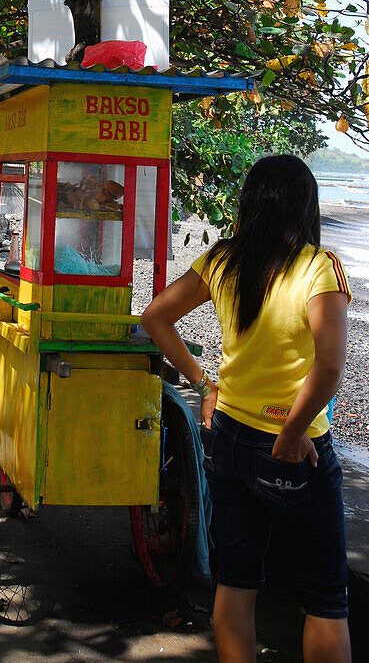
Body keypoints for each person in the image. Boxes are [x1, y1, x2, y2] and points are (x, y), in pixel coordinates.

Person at [141, 155, 351, 663]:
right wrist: (293, 432)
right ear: (306, 207)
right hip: (295, 450)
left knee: (236, 587)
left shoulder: (223, 260)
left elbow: (155, 317)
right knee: (325, 602)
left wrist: (203, 385)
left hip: (229, 437)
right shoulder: (318, 268)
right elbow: (328, 369)